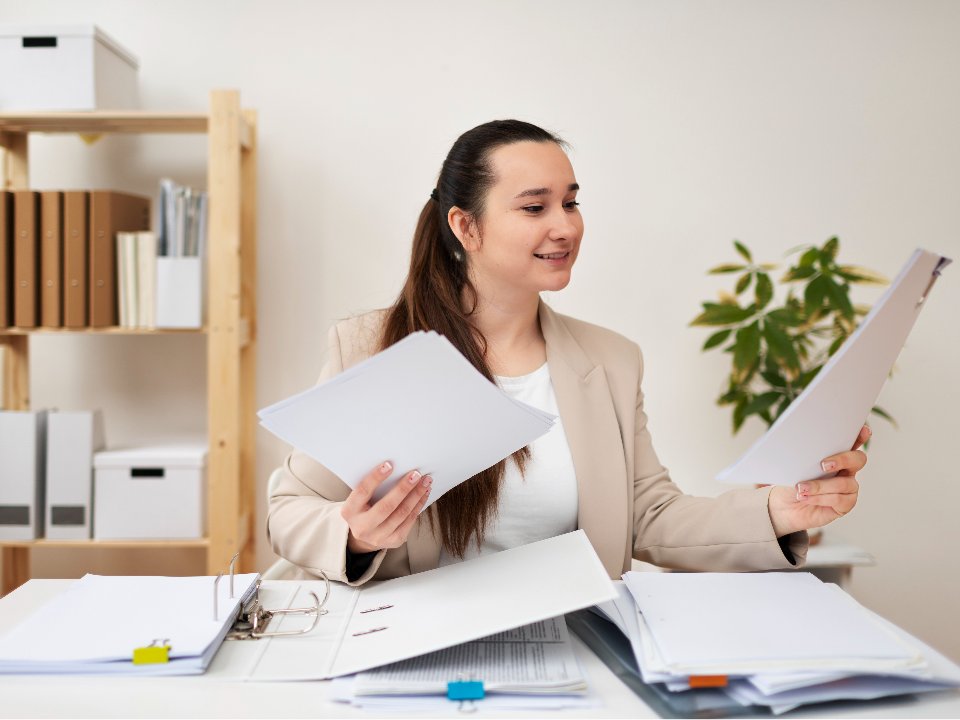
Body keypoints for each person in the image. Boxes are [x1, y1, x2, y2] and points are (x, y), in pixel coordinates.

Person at [267, 120, 867, 585]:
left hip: (568, 651)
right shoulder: (371, 348)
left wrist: (781, 511)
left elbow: (650, 515)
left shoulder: (611, 361)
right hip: (418, 651)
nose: (566, 227)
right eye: (535, 207)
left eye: (571, 203)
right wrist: (354, 535)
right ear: (465, 227)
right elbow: (290, 509)